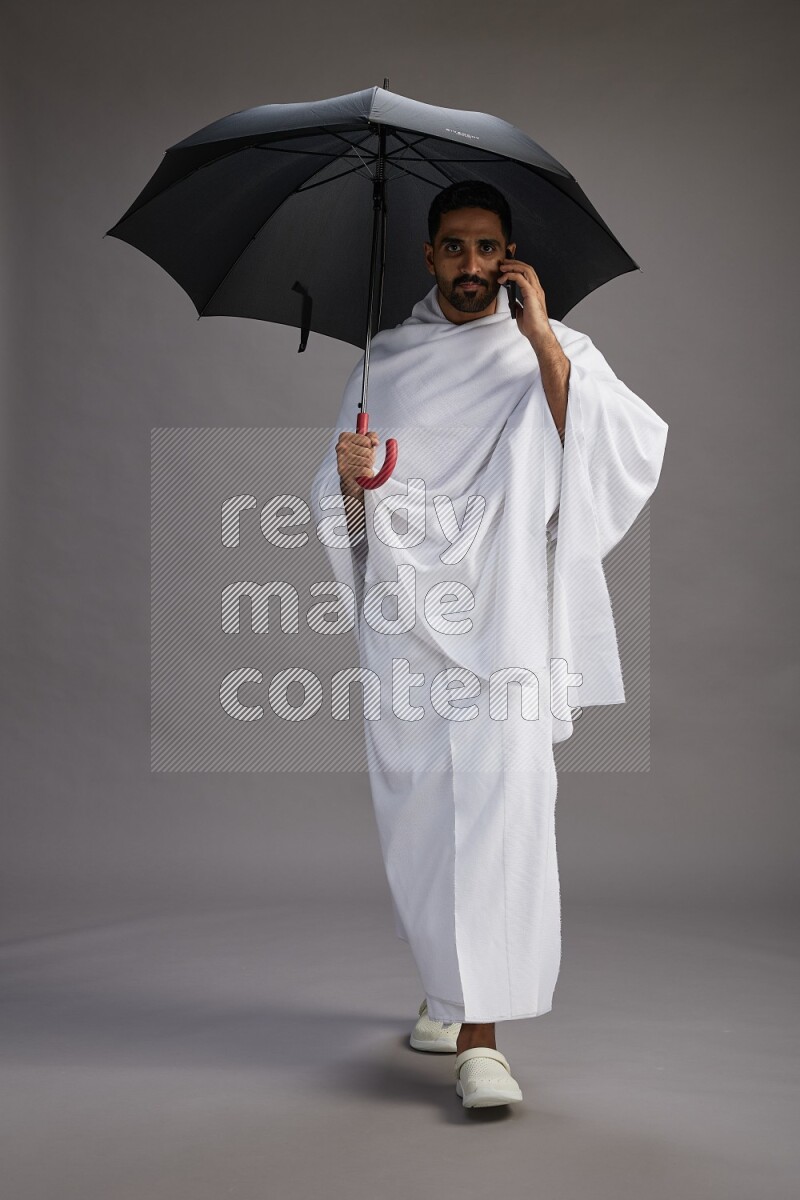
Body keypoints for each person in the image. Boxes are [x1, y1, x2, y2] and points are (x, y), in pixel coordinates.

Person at [310, 180, 668, 1108]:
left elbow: (614, 449)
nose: (472, 266)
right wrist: (349, 481)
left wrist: (542, 335)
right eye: (455, 248)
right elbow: (347, 510)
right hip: (408, 632)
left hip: (506, 619)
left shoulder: (553, 349)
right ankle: (445, 991)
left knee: (503, 813)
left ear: (511, 257)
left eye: (488, 248)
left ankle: (483, 1040)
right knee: (422, 821)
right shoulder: (382, 361)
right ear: (428, 257)